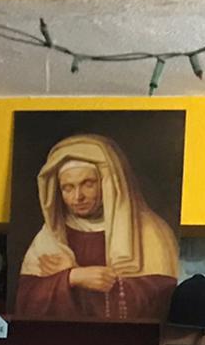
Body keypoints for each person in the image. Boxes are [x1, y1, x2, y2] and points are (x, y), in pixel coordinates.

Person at [16, 134, 179, 321]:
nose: (78, 197)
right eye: (68, 188)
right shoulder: (50, 237)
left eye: (88, 184)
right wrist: (72, 277)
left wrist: (81, 276)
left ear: (108, 184)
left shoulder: (150, 231)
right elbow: (25, 303)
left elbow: (161, 303)